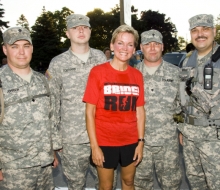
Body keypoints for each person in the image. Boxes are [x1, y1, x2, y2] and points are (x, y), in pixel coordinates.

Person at [47, 14, 107, 190]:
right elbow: (52, 103)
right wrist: (56, 141)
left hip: (101, 136)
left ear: (90, 31)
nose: (81, 30)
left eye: (84, 27)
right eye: (75, 28)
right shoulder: (58, 63)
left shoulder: (101, 59)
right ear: (67, 33)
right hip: (72, 140)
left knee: (105, 184)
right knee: (75, 185)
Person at [83, 24, 145, 190]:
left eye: (130, 44)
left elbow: (140, 111)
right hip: (104, 141)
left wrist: (140, 142)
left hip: (130, 141)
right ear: (112, 46)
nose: (124, 48)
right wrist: (94, 146)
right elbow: (90, 112)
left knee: (129, 182)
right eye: (120, 43)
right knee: (106, 186)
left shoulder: (137, 75)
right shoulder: (98, 72)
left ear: (134, 49)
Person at [0, 27, 61, 189]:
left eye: (26, 46)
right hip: (14, 168)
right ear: (5, 49)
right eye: (14, 46)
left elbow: (49, 117)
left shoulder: (42, 80)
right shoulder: (1, 82)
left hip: (44, 164)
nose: (21, 52)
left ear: (32, 48)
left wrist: (52, 150)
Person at [134, 29, 182, 190]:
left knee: (171, 185)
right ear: (141, 47)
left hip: (168, 143)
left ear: (163, 47)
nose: (152, 48)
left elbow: (182, 106)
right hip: (139, 143)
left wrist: (181, 130)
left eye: (157, 44)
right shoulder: (131, 74)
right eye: (148, 44)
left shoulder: (177, 74)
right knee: (140, 184)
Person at [178, 14, 220, 190]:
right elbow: (183, 98)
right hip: (190, 138)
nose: (200, 33)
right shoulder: (187, 60)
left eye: (205, 29)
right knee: (196, 184)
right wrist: (182, 128)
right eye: (195, 30)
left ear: (214, 31)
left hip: (215, 140)